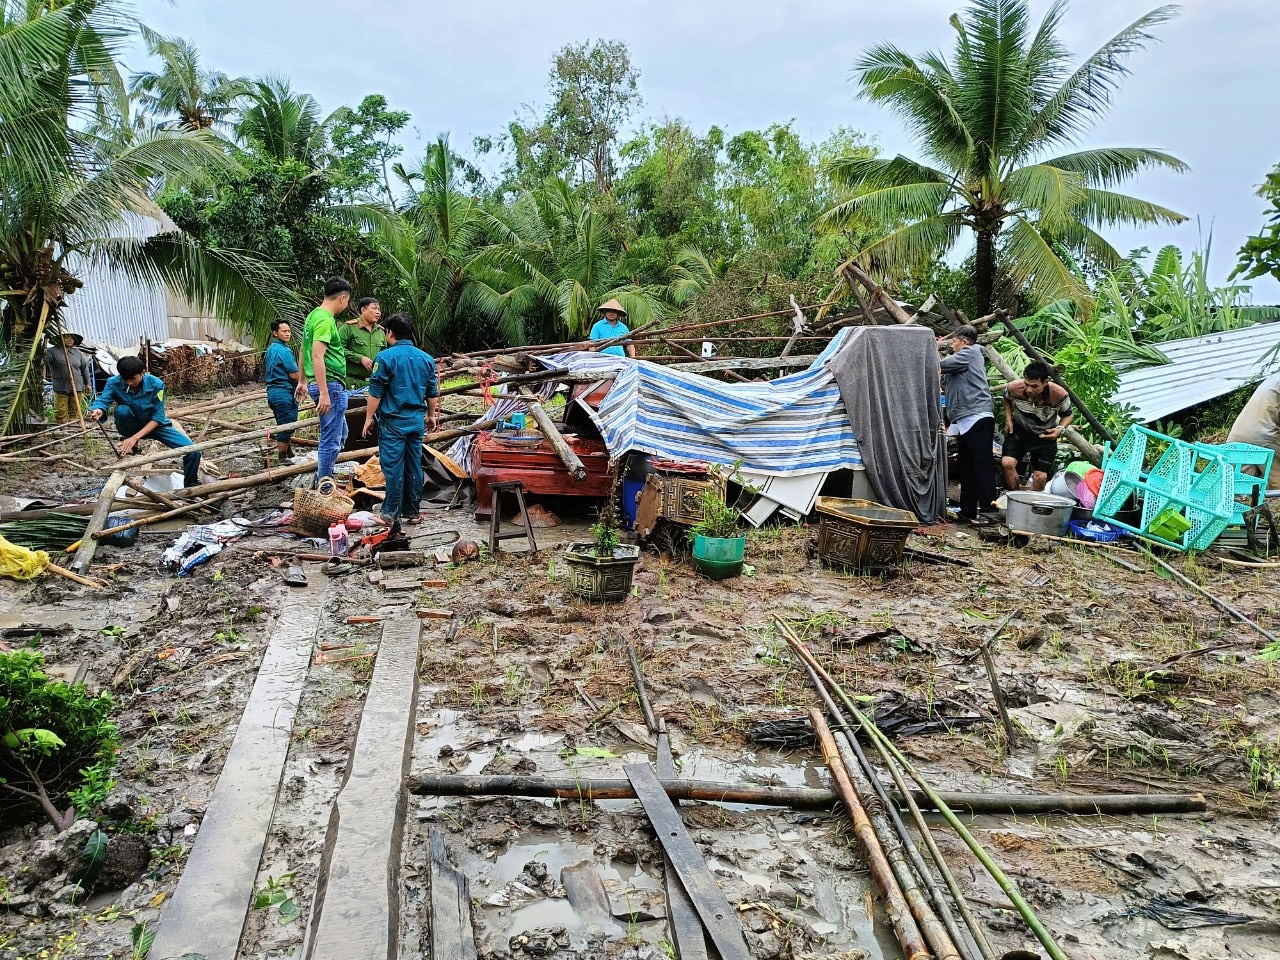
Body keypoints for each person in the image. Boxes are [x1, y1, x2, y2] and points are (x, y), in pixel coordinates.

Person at [362, 313, 440, 529]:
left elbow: (375, 392)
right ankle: (413, 512)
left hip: (393, 423)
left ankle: (390, 513)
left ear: (390, 333)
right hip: (416, 422)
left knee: (393, 467)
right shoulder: (426, 358)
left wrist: (369, 418)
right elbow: (432, 391)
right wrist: (431, 415)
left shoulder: (385, 358)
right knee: (413, 464)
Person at [89, 356, 201, 487]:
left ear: (143, 372)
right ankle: (132, 446)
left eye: (133, 379)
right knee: (122, 411)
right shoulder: (113, 382)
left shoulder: (157, 385)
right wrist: (98, 410)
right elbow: (104, 400)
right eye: (125, 380)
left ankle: (191, 486)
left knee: (194, 452)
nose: (129, 383)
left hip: (155, 426)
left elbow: (158, 417)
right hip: (131, 425)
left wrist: (135, 437)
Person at [939, 325, 997, 524]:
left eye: (954, 342)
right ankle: (968, 511)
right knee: (968, 468)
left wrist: (929, 350)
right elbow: (942, 376)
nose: (952, 346)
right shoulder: (961, 363)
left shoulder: (970, 353)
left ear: (964, 342)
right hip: (966, 419)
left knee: (982, 467)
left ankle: (990, 512)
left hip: (977, 416)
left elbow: (938, 366)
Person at [303, 277, 353, 481]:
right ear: (342, 298)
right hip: (330, 385)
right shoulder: (325, 319)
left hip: (326, 384)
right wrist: (324, 392)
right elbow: (316, 355)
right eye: (348, 301)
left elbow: (303, 349)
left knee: (341, 434)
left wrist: (302, 381)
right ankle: (324, 482)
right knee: (331, 439)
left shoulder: (313, 316)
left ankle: (326, 472)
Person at [1002, 360, 1074, 491]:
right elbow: (1006, 399)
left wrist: (1060, 429)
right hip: (1019, 431)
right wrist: (1008, 420)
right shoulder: (1013, 388)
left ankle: (1033, 505)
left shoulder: (1059, 394)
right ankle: (1015, 497)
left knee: (1040, 476)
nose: (1029, 389)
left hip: (1045, 436)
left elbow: (1068, 415)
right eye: (1026, 384)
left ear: (1046, 382)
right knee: (1007, 463)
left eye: (1034, 386)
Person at [1227, 372, 1280, 492]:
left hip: (1239, 435)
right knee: (1277, 484)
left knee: (1242, 488)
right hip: (1265, 435)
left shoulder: (1274, 378)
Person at [264, 319, 307, 463]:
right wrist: (305, 382)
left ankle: (288, 452)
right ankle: (282, 458)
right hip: (283, 391)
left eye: (289, 331)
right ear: (275, 333)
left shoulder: (271, 349)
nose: (288, 334)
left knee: (284, 422)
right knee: (287, 424)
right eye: (284, 331)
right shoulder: (283, 350)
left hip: (273, 391)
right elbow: (294, 374)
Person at [44, 331, 96, 423]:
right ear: (59, 338)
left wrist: (88, 384)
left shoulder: (77, 352)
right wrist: (42, 351)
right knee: (61, 411)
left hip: (77, 385)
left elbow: (84, 369)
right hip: (61, 386)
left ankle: (73, 429)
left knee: (75, 410)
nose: (70, 340)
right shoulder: (52, 351)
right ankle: (63, 430)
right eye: (66, 337)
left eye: (72, 338)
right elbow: (42, 362)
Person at [338, 297, 386, 388]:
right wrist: (359, 358)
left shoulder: (380, 331)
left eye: (379, 309)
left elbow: (384, 354)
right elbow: (337, 349)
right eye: (374, 308)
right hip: (352, 382)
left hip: (374, 383)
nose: (378, 312)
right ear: (363, 310)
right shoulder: (348, 328)